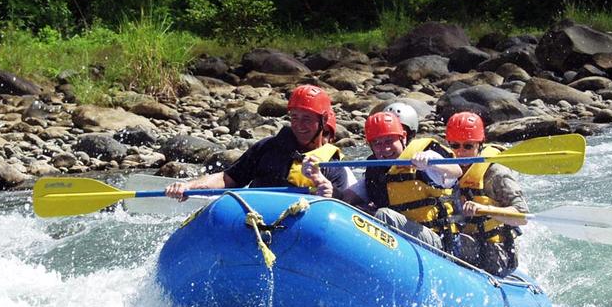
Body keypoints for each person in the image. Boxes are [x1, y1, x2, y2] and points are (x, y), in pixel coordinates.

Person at [165, 84, 354, 200]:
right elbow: (227, 179)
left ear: (322, 122)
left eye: (306, 118)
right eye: (294, 117)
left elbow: (340, 202)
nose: (299, 125)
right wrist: (188, 186)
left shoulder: (333, 164)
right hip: (255, 220)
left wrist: (327, 190)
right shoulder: (267, 148)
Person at [306, 111, 462, 250]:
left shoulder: (424, 157)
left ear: (403, 138)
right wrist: (321, 181)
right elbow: (346, 200)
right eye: (377, 143)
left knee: (384, 215)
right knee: (361, 211)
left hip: (436, 242)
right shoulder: (375, 171)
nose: (384, 149)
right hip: (403, 244)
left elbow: (456, 171)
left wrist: (430, 161)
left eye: (389, 141)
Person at [446, 112, 528, 277]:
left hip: (496, 253)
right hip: (463, 242)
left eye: (468, 146)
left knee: (454, 242)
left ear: (480, 145)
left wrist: (485, 209)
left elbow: (522, 216)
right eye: (455, 145)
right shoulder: (446, 170)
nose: (460, 152)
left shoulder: (496, 173)